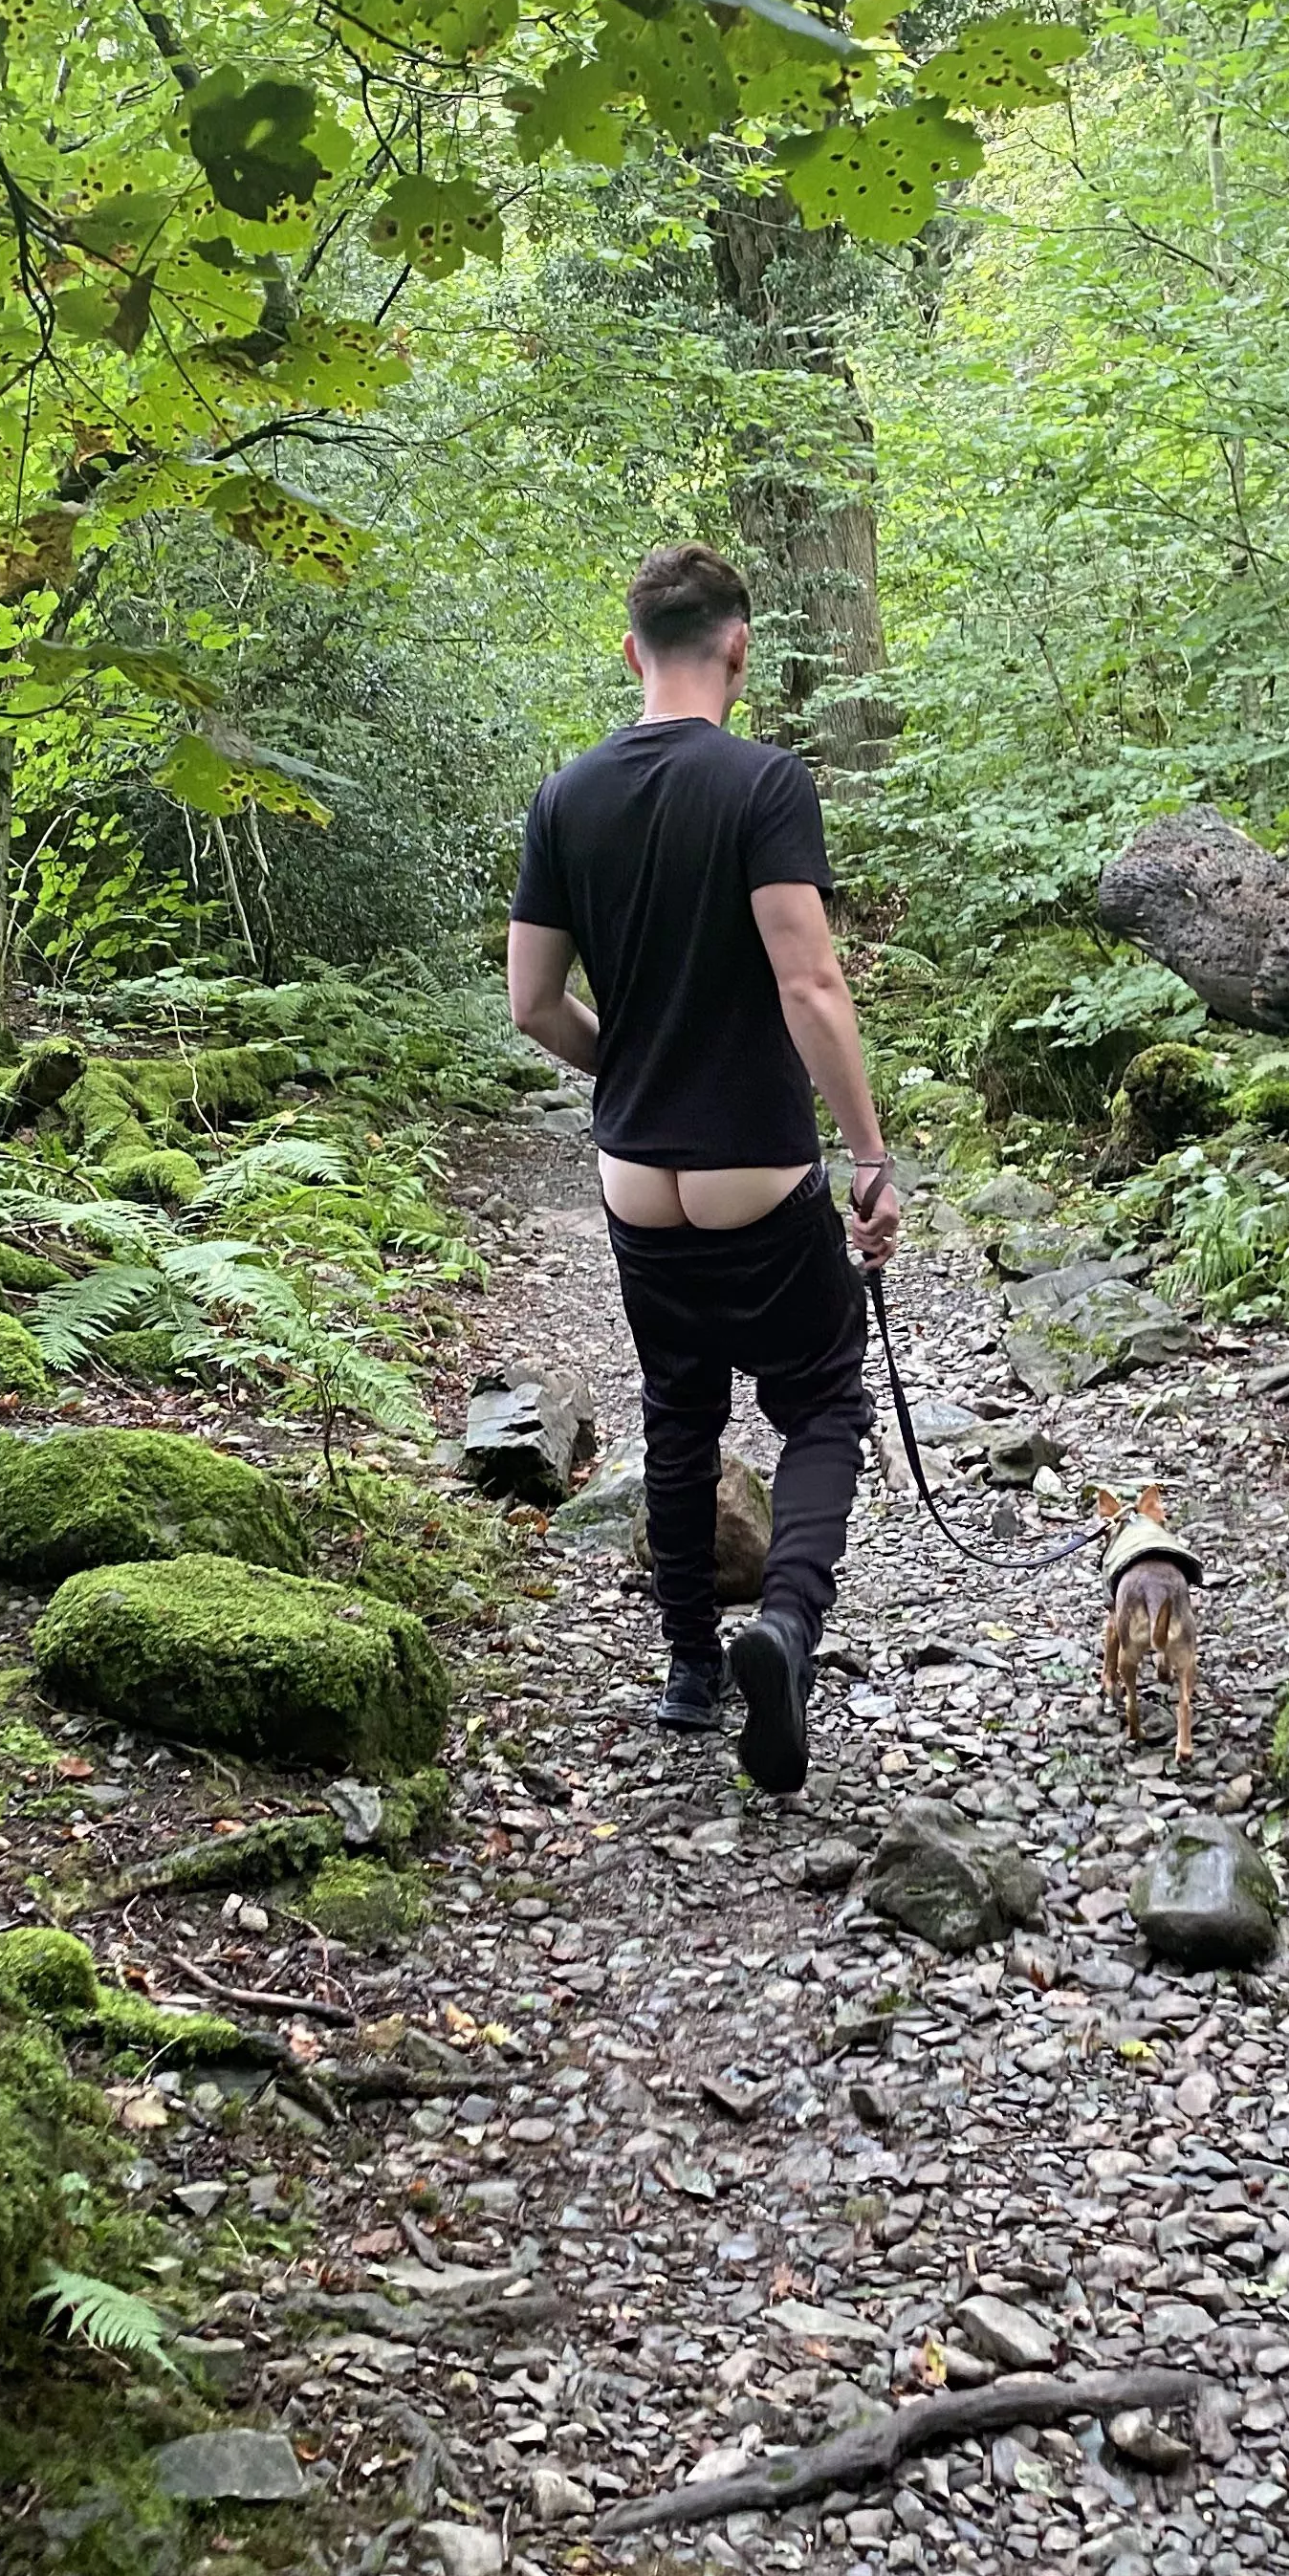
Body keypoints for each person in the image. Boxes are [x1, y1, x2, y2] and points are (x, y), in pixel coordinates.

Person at [505, 542, 900, 1792]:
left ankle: (687, 1671)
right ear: (739, 647)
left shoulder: (564, 800)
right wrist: (873, 1159)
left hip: (637, 1175)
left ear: (632, 651)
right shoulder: (765, 784)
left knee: (679, 1413)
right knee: (825, 1402)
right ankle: (783, 1626)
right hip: (755, 1168)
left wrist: (629, 1069)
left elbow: (532, 1005)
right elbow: (809, 983)